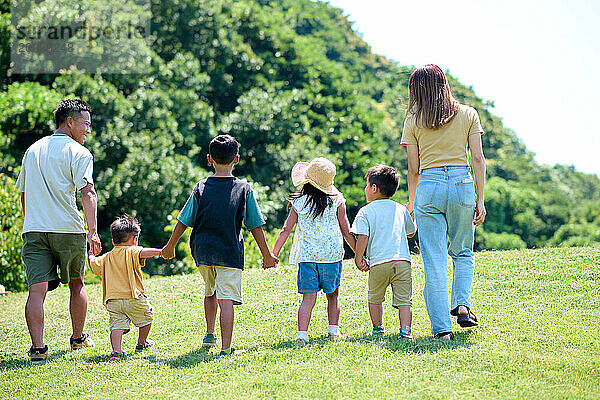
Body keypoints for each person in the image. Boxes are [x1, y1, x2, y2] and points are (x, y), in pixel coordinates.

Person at [161, 135, 278, 356]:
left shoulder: (201, 187)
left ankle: (209, 333)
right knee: (226, 300)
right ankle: (226, 348)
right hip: (229, 251)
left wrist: (170, 246)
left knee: (210, 291)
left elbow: (183, 220)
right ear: (237, 159)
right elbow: (255, 225)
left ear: (209, 159)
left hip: (202, 251)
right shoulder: (244, 189)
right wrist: (267, 255)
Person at [401, 64, 487, 340]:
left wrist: (412, 202)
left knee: (434, 260)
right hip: (462, 184)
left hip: (429, 186)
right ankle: (462, 305)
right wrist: (480, 199)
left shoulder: (413, 120)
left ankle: (442, 330)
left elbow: (413, 170)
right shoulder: (468, 114)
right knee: (462, 252)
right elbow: (477, 159)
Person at [16, 98, 101, 362]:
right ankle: (77, 338)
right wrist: (94, 232)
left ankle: (38, 349)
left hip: (34, 229)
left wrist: (33, 221)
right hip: (67, 229)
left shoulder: (32, 150)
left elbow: (23, 194)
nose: (88, 130)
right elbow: (87, 192)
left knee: (36, 290)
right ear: (70, 122)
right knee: (76, 283)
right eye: (85, 124)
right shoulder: (79, 153)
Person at [272, 157, 356, 347]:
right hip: (331, 257)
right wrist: (358, 255)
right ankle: (333, 331)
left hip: (307, 258)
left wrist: (274, 253)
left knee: (308, 298)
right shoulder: (337, 201)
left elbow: (286, 229)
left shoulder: (299, 203)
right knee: (333, 294)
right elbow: (346, 230)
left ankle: (302, 335)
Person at [350, 165, 417, 339]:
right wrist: (411, 216)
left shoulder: (365, 211)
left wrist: (359, 258)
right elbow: (411, 232)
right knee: (404, 300)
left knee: (375, 298)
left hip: (378, 263)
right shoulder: (400, 209)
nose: (365, 189)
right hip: (402, 262)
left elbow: (362, 236)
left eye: (367, 185)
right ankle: (405, 332)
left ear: (374, 188)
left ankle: (378, 328)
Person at [88, 215, 162, 360]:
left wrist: (91, 254)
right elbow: (143, 252)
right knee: (147, 318)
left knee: (116, 326)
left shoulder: (107, 257)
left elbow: (94, 264)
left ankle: (117, 351)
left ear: (113, 240)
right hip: (133, 297)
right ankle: (141, 343)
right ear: (135, 239)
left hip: (113, 300)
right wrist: (160, 251)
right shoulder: (132, 251)